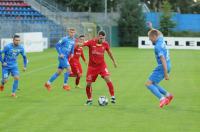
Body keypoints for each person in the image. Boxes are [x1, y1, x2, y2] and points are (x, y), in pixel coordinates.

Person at [79, 31, 117, 105]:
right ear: (98, 37)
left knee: (108, 78)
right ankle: (89, 100)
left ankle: (112, 96)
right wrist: (78, 44)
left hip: (102, 66)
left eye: (103, 38)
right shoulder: (91, 42)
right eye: (101, 38)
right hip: (92, 67)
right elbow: (83, 44)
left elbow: (109, 52)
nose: (102, 39)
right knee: (88, 84)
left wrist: (114, 61)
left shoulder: (105, 44)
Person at [145, 29, 173, 108]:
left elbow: (163, 59)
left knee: (148, 84)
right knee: (153, 83)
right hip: (169, 64)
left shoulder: (157, 47)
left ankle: (162, 98)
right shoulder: (161, 38)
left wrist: (166, 74)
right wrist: (151, 28)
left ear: (154, 36)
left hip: (162, 67)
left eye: (150, 39)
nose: (150, 41)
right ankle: (168, 95)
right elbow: (159, 32)